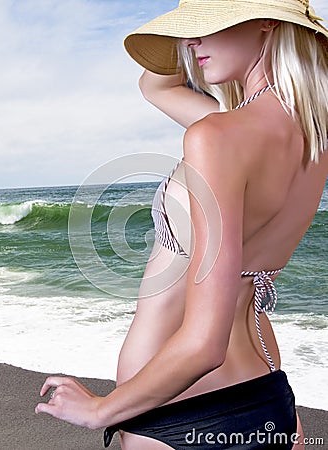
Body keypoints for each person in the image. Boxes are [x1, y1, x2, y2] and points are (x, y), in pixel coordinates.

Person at [35, 1, 328, 449]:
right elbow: (155, 83)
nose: (191, 41)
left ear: (268, 21)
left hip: (178, 407)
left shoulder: (217, 136)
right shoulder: (311, 137)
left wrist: (100, 410)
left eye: (208, 25)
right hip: (265, 390)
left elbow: (205, 343)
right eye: (190, 30)